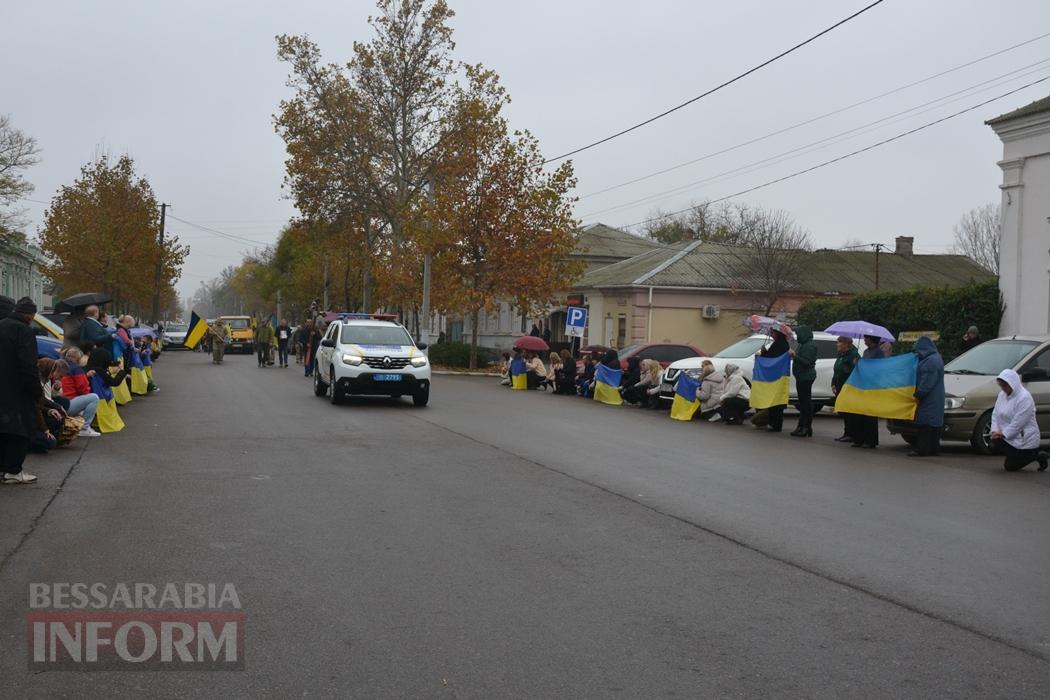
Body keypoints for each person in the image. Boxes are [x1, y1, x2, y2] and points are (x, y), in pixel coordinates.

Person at [0, 296, 43, 484]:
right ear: (30, 316)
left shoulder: (2, 325)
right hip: (18, 388)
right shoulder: (24, 331)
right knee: (21, 430)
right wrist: (36, 390)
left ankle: (3, 468)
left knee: (3, 429)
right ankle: (13, 471)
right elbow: (28, 365)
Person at [990, 369, 1049, 471]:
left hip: (1025, 440)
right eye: (1001, 386)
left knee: (1010, 467)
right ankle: (1017, 455)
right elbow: (995, 414)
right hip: (1010, 437)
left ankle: (1036, 455)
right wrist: (995, 430)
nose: (1003, 389)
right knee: (994, 441)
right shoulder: (1002, 395)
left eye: (1005, 386)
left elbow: (1019, 423)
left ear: (1013, 383)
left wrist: (1003, 433)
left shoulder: (1025, 398)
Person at [909, 336, 945, 457]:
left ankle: (922, 449)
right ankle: (934, 449)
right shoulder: (934, 358)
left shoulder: (930, 361)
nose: (917, 353)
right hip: (935, 397)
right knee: (934, 425)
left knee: (925, 424)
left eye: (918, 350)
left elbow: (927, 381)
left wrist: (919, 394)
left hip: (929, 398)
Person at [853, 335, 890, 448]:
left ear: (871, 339)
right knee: (861, 413)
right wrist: (858, 363)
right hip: (864, 385)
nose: (864, 340)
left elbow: (878, 368)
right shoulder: (866, 351)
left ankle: (871, 440)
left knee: (870, 415)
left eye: (866, 338)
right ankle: (860, 438)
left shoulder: (878, 352)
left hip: (873, 386)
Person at [60, 347, 102, 438]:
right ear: (77, 358)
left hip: (58, 403)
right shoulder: (76, 369)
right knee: (94, 398)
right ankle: (84, 428)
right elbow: (83, 389)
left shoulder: (60, 364)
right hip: (68, 404)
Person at [757, 328, 790, 432]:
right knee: (774, 400)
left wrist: (765, 353)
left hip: (777, 376)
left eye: (773, 332)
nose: (771, 335)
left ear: (778, 333)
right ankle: (773, 423)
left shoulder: (780, 345)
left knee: (776, 401)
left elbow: (773, 359)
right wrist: (765, 352)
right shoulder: (780, 344)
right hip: (777, 375)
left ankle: (775, 424)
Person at [831, 337, 860, 442]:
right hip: (839, 384)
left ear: (846, 344)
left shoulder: (853, 355)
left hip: (848, 385)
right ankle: (846, 432)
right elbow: (837, 370)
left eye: (839, 342)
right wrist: (833, 382)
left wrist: (847, 370)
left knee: (848, 410)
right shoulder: (840, 355)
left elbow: (854, 370)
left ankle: (852, 433)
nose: (837, 344)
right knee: (843, 409)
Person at [790, 326, 817, 437]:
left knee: (806, 403)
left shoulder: (810, 346)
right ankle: (801, 426)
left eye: (799, 334)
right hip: (800, 376)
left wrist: (795, 356)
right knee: (802, 403)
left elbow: (807, 362)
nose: (797, 337)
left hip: (806, 377)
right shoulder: (802, 345)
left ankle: (806, 427)